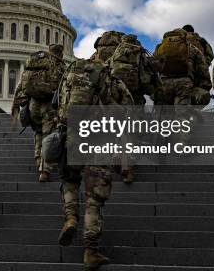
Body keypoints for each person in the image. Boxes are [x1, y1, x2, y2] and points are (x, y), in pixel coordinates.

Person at [56, 55, 134, 269]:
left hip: (72, 134)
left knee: (69, 180)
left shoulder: (70, 75)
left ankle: (70, 218)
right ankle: (90, 250)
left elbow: (60, 106)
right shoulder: (106, 76)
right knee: (94, 197)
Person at [108, 34, 161, 182]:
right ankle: (128, 168)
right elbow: (149, 79)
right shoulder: (141, 54)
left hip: (117, 97)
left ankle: (117, 156)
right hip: (135, 98)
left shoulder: (115, 54)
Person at [12, 44, 66, 182]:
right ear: (60, 53)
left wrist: (17, 103)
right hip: (49, 105)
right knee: (48, 135)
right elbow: (63, 87)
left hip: (33, 104)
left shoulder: (36, 61)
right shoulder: (59, 66)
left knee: (38, 132)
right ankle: (44, 169)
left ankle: (37, 158)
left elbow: (21, 85)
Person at [154, 28, 211, 106]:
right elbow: (203, 68)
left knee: (162, 114)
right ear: (183, 36)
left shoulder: (159, 48)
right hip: (184, 84)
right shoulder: (191, 48)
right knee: (182, 114)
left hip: (163, 83)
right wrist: (205, 86)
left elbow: (152, 66)